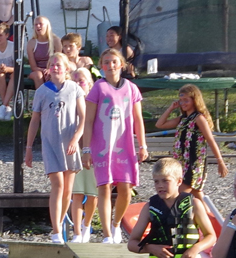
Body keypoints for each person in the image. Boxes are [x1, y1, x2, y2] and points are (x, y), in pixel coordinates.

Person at [81, 49, 148, 244]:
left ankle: (116, 224)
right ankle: (106, 235)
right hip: (102, 146)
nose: (110, 66)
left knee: (126, 188)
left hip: (124, 146)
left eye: (114, 62)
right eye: (106, 62)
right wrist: (86, 149)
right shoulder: (98, 88)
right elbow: (88, 121)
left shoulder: (131, 89)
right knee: (104, 187)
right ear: (101, 66)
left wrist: (142, 145)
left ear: (121, 65)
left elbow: (138, 119)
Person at [26, 53, 85, 245]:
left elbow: (83, 118)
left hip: (69, 144)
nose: (55, 67)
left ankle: (59, 223)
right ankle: (56, 231)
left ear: (67, 68)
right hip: (50, 142)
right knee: (57, 184)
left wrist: (76, 138)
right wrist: (28, 148)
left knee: (68, 189)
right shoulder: (42, 92)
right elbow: (35, 120)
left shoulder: (74, 89)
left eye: (59, 64)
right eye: (52, 64)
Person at [154, 84, 228, 201]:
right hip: (181, 162)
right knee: (197, 194)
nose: (183, 103)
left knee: (177, 194)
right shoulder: (182, 119)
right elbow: (160, 124)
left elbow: (210, 140)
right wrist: (170, 108)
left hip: (193, 162)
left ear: (194, 100)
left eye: (186, 100)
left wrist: (220, 161)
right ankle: (207, 212)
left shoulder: (198, 118)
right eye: (181, 100)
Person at [69, 68, 97, 242]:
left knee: (93, 193)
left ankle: (87, 225)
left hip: (94, 151)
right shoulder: (69, 103)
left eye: (81, 81)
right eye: (74, 81)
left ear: (90, 84)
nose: (78, 84)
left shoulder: (95, 103)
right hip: (75, 151)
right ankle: (77, 232)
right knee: (77, 193)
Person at [26, 16, 62, 89]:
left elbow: (59, 60)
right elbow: (33, 67)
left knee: (54, 74)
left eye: (40, 24)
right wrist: (44, 71)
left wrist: (50, 70)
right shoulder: (31, 43)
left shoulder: (56, 41)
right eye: (36, 24)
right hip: (37, 71)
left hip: (53, 68)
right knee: (38, 75)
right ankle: (41, 95)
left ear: (47, 26)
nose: (38, 26)